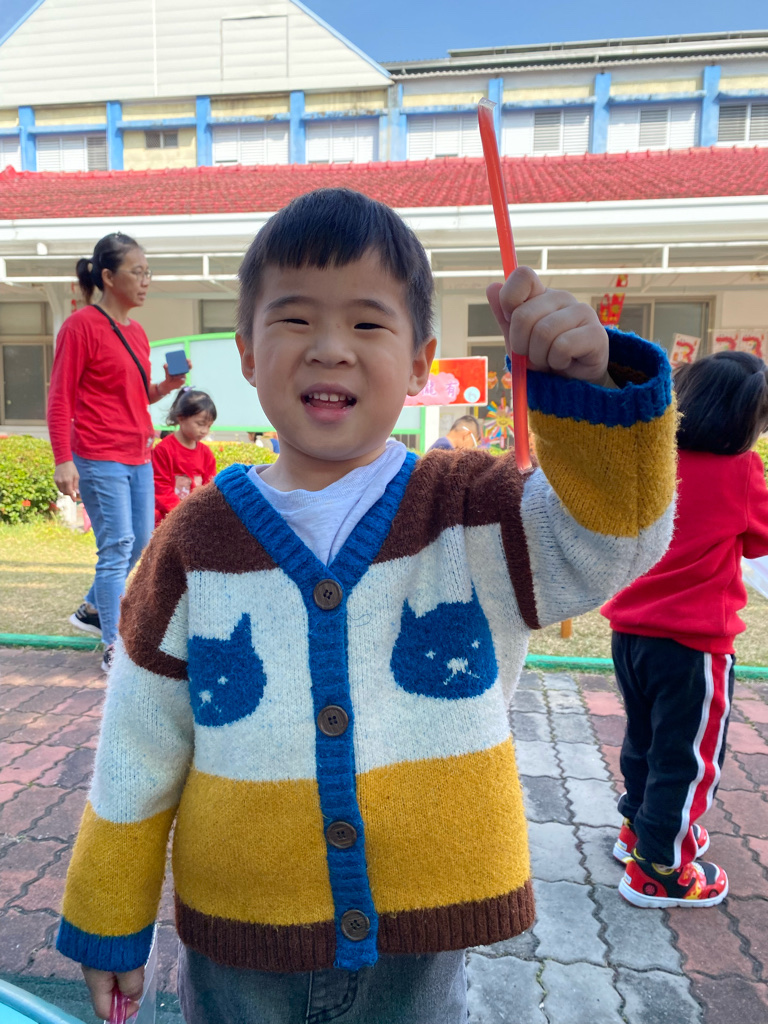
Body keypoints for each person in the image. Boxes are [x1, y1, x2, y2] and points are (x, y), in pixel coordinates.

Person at [56, 188, 676, 1024]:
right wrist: (107, 917)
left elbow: (616, 540)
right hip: (241, 935)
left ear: (421, 362)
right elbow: (139, 741)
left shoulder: (473, 509)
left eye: (368, 323)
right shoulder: (194, 541)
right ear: (247, 354)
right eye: (295, 319)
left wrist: (595, 390)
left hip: (420, 940)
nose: (330, 348)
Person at [602, 351, 768, 909]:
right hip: (693, 643)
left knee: (645, 740)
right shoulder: (741, 471)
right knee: (688, 758)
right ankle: (660, 869)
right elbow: (762, 539)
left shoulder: (650, 458)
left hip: (629, 633)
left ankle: (639, 829)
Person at [47, 232, 190, 671]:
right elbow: (60, 397)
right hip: (98, 454)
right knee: (116, 547)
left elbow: (135, 395)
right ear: (108, 277)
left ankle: (92, 608)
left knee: (141, 540)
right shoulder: (80, 326)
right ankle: (114, 645)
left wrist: (165, 386)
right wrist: (62, 459)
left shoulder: (138, 332)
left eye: (148, 272)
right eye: (137, 271)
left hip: (138, 453)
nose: (146, 280)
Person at [152, 388, 217, 525]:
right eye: (200, 424)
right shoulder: (163, 450)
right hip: (167, 521)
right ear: (181, 418)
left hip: (195, 521)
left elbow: (210, 489)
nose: (204, 431)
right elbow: (160, 488)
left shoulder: (206, 454)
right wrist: (182, 514)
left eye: (209, 426)